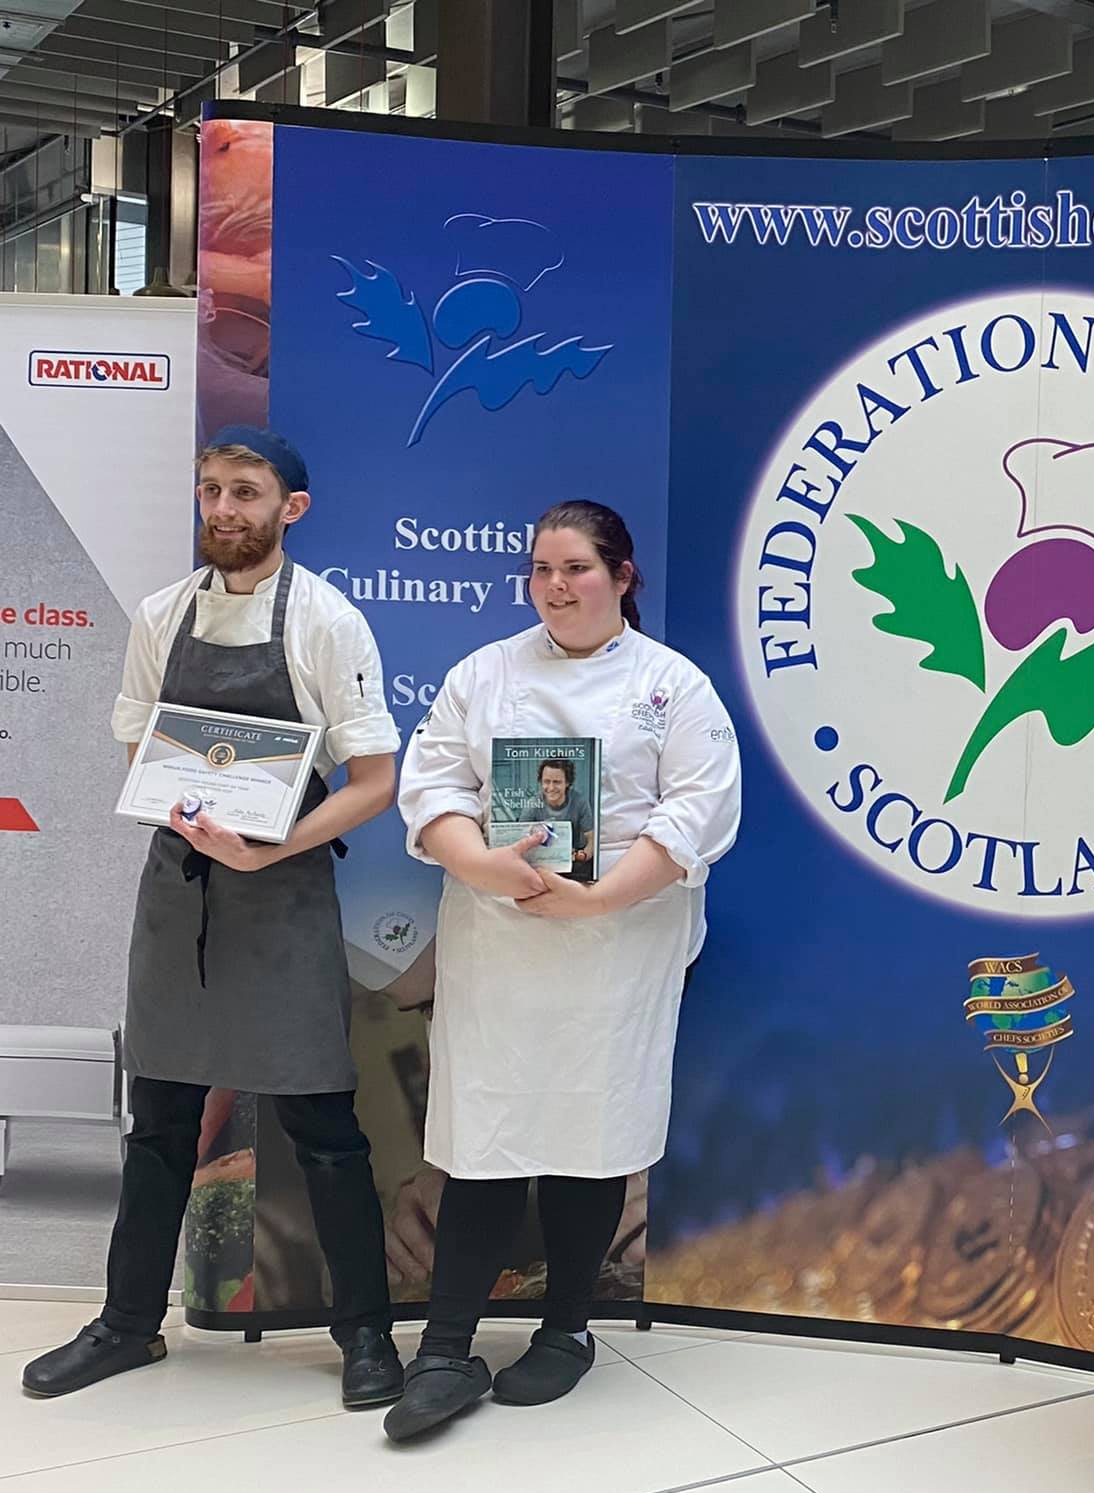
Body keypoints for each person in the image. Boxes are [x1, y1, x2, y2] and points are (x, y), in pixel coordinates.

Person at [23, 427, 404, 1406]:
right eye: (211, 492)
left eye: (246, 492)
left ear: (293, 509)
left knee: (323, 1124)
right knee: (158, 1121)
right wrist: (185, 811)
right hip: (178, 893)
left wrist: (274, 843)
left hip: (282, 897)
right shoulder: (160, 615)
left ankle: (366, 1339)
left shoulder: (325, 621)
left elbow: (374, 781)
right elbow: (137, 748)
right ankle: (125, 1325)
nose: (224, 510)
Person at [386, 500, 740, 1442]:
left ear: (623, 576)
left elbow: (696, 812)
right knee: (482, 1139)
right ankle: (446, 1347)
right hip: (499, 945)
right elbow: (430, 785)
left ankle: (567, 1330)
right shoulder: (485, 674)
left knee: (592, 1133)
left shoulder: (674, 687)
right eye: (542, 568)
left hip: (618, 949)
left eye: (577, 567)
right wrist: (477, 861)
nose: (556, 585)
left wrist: (602, 897)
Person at [518, 757, 594, 878]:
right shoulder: (532, 804)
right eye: (546, 782)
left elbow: (592, 838)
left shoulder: (580, 802)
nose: (551, 788)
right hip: (539, 862)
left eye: (557, 782)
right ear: (541, 782)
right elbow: (520, 839)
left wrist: (583, 855)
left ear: (567, 783)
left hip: (571, 860)